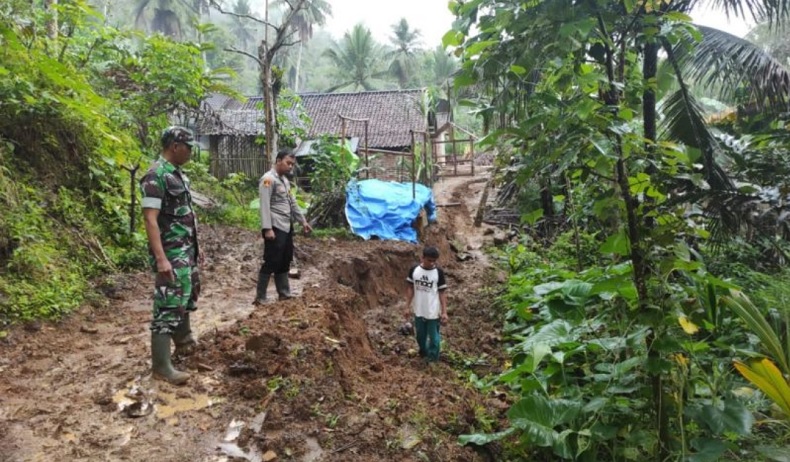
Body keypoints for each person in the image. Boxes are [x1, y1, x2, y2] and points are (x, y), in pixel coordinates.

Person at [140, 126, 204, 385]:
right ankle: (161, 367)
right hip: (171, 253)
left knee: (185, 296)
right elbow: (150, 219)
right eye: (188, 147)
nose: (190, 152)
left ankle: (185, 343)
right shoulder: (156, 176)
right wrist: (161, 258)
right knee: (168, 305)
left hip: (185, 251)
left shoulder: (179, 175)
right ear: (175, 146)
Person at [254, 148, 312, 304]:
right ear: (278, 161)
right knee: (272, 260)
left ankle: (284, 293)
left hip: (286, 226)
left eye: (292, 164)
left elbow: (292, 203)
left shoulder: (285, 181)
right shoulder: (268, 179)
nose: (290, 167)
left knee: (285, 259)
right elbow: (265, 205)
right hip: (275, 226)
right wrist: (267, 228)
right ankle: (260, 297)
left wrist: (303, 221)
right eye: (288, 163)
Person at [403, 246, 448, 362]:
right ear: (422, 258)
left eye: (434, 261)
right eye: (429, 260)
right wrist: (407, 306)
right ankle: (424, 353)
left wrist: (444, 312)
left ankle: (433, 359)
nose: (432, 263)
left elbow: (442, 292)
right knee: (420, 336)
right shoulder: (414, 270)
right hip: (419, 309)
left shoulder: (438, 272)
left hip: (433, 311)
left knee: (434, 338)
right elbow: (410, 288)